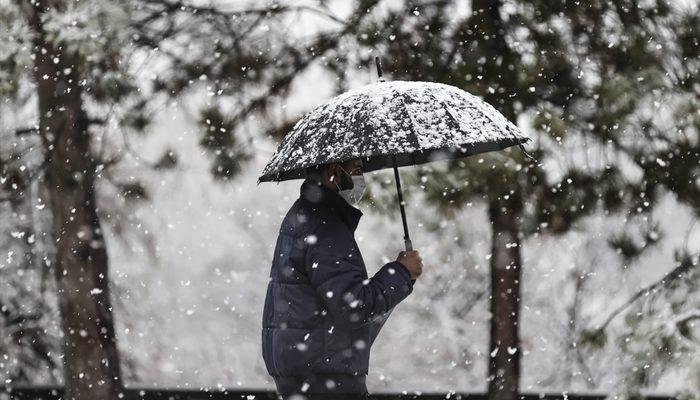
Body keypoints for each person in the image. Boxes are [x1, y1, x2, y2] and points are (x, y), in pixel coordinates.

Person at [261, 158, 423, 400]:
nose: (361, 179)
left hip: (305, 372)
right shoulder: (325, 227)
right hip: (325, 377)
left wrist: (402, 277)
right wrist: (401, 272)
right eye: (357, 170)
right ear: (334, 171)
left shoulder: (303, 215)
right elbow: (353, 307)